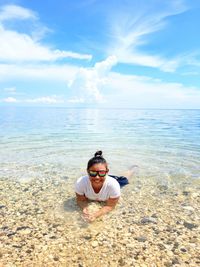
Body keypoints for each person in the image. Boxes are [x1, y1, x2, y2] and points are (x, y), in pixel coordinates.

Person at [75, 150, 129, 222]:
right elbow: (80, 200)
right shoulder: (80, 183)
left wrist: (96, 215)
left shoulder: (114, 185)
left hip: (112, 180)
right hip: (103, 178)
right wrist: (85, 209)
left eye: (102, 172)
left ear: (107, 172)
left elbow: (110, 206)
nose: (97, 177)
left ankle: (132, 169)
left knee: (125, 179)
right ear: (87, 171)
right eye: (93, 172)